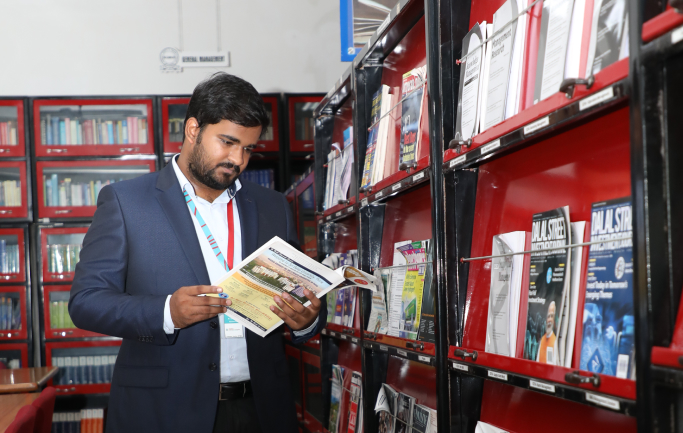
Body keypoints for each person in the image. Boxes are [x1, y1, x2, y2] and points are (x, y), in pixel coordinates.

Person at [68, 72, 326, 433]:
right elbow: (86, 302)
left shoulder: (273, 206)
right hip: (164, 412)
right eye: (227, 142)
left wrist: (308, 317)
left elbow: (301, 290)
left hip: (262, 410)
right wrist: (166, 311)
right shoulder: (127, 202)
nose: (238, 159)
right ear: (193, 129)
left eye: (249, 148)